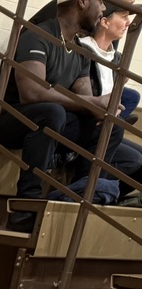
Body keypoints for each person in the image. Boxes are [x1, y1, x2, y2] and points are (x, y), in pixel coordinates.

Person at [0, 0, 125, 230]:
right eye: (101, 2)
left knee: (109, 127)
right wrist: (93, 103)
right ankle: (25, 207)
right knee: (51, 113)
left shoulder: (79, 50)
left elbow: (85, 97)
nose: (103, 10)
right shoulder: (38, 35)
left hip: (41, 118)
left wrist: (102, 108)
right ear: (82, 2)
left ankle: (81, 198)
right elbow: (31, 93)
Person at [78, 4, 142, 200]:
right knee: (134, 158)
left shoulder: (117, 57)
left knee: (132, 97)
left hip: (105, 122)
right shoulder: (83, 49)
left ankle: (111, 196)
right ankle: (86, 191)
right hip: (85, 120)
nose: (128, 22)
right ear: (105, 21)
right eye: (123, 17)